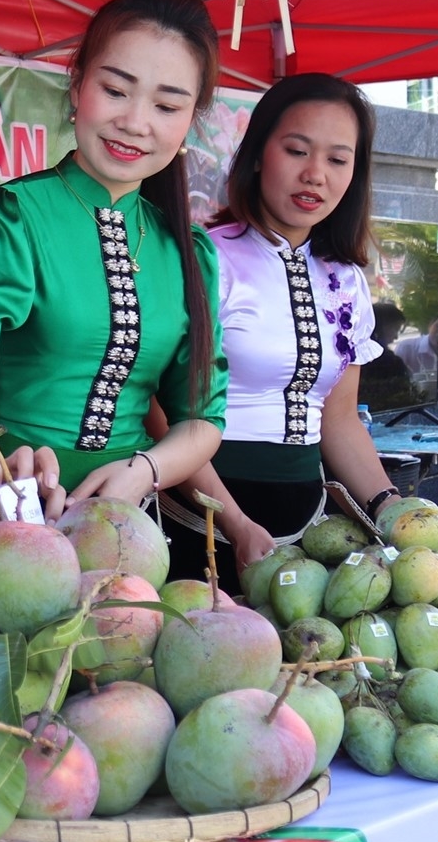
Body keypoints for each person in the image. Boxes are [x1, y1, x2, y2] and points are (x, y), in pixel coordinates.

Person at [0, 0, 227, 518]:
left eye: (166, 105)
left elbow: (201, 418)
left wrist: (142, 473)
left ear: (190, 121)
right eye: (115, 91)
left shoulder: (189, 252)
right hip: (4, 505)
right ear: (76, 84)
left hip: (126, 522)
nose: (135, 123)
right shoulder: (6, 215)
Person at [157, 74, 403, 587]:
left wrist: (393, 509)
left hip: (309, 528)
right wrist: (237, 523)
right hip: (195, 524)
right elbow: (155, 411)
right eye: (296, 151)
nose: (315, 174)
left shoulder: (347, 280)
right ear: (256, 155)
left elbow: (338, 421)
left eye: (338, 160)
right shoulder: (203, 258)